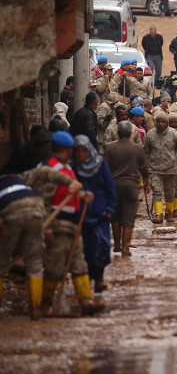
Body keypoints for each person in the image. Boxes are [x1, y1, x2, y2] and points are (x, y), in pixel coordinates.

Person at [0, 166, 82, 320]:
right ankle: (36, 309)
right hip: (36, 205)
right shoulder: (19, 177)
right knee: (34, 263)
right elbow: (46, 172)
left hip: (11, 210)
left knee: (1, 262)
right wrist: (71, 182)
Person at [39, 131, 105, 315]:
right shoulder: (50, 169)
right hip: (57, 224)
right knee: (54, 266)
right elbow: (43, 200)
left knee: (79, 264)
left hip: (74, 223)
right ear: (67, 150)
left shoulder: (66, 167)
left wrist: (83, 196)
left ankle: (86, 300)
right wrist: (46, 225)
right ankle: (44, 304)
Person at [72, 135, 116, 294]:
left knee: (102, 247)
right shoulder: (74, 168)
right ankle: (87, 283)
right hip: (81, 215)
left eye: (84, 150)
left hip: (100, 213)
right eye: (78, 151)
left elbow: (110, 187)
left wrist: (110, 208)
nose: (81, 154)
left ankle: (99, 279)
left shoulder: (100, 165)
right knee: (86, 251)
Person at [105, 122, 150, 256]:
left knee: (115, 217)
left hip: (114, 187)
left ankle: (117, 245)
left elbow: (104, 169)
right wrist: (147, 185)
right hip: (131, 187)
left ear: (118, 133)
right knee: (128, 219)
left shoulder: (110, 148)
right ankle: (126, 248)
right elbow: (144, 169)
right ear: (131, 133)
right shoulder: (137, 148)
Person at [144, 111, 177, 224]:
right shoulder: (150, 134)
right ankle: (158, 215)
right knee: (157, 192)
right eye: (158, 121)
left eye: (163, 122)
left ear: (167, 123)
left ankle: (169, 213)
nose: (160, 124)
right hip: (155, 169)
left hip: (171, 169)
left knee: (169, 193)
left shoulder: (174, 134)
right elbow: (146, 152)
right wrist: (144, 168)